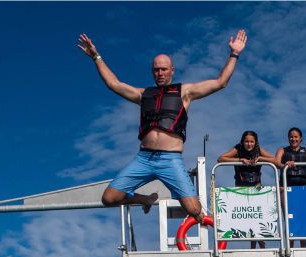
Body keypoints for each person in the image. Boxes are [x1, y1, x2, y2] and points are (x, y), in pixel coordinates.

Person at [77, 30, 248, 222]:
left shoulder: (185, 92)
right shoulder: (143, 94)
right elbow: (113, 84)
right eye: (156, 70)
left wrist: (234, 54)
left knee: (193, 209)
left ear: (172, 70)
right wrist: (96, 57)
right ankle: (145, 199)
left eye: (164, 69)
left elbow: (220, 82)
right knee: (109, 198)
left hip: (170, 159)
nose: (160, 73)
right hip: (144, 159)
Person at [217, 131, 281, 249]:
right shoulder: (238, 149)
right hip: (241, 188)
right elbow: (220, 159)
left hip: (256, 187)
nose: (249, 144)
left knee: (257, 217)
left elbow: (275, 161)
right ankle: (255, 243)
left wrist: (261, 158)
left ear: (255, 142)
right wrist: (239, 160)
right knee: (248, 217)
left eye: (251, 141)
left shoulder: (258, 150)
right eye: (246, 141)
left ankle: (258, 244)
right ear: (243, 141)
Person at [274, 128, 306, 248]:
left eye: (296, 137)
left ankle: (303, 248)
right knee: (290, 220)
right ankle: (290, 248)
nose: (293, 139)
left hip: (303, 188)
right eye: (291, 137)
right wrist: (284, 164)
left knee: (303, 218)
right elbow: (276, 163)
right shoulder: (282, 150)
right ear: (288, 138)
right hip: (286, 188)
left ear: (300, 138)